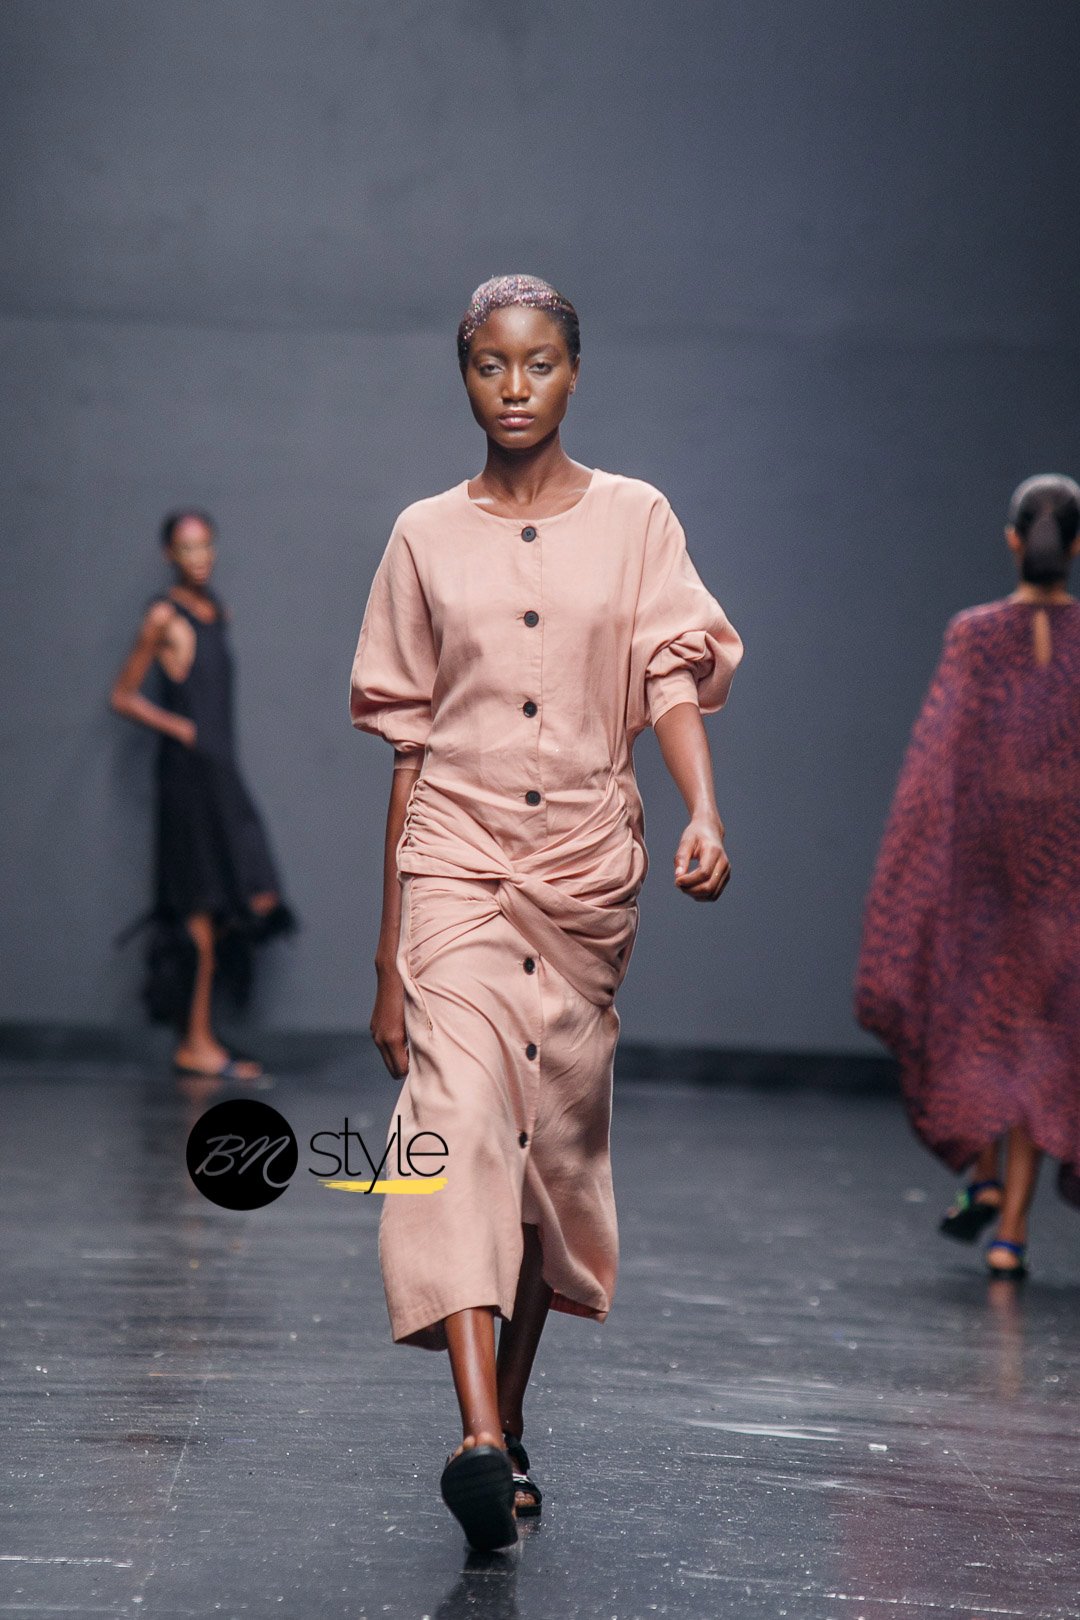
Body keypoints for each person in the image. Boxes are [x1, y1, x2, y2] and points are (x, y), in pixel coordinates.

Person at [349, 273, 743, 1551]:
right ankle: (475, 1437)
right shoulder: (422, 535)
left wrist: (702, 809)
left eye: (539, 364)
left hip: (582, 873)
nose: (514, 388)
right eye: (490, 365)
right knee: (456, 1123)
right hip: (457, 862)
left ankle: (510, 1425)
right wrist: (389, 954)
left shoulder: (637, 519)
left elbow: (669, 671)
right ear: (463, 375)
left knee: (546, 1156)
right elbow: (408, 748)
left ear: (575, 372)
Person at [855, 473, 1080, 1281]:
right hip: (1064, 872)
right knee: (1042, 1040)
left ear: (1013, 540)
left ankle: (982, 1179)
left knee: (976, 1019)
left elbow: (938, 761)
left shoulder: (974, 635)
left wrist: (917, 868)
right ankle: (1010, 1230)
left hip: (985, 869)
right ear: (1076, 546)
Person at [111, 510, 296, 1079]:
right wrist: (179, 728)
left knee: (249, 899)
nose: (200, 557)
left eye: (206, 545)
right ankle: (196, 1045)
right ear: (170, 555)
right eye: (188, 548)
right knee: (199, 915)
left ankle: (201, 1037)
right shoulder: (164, 617)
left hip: (221, 774)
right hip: (187, 781)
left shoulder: (217, 612)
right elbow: (123, 695)